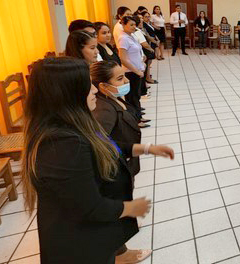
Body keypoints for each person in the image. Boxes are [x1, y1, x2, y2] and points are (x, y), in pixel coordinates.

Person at [21, 57, 169, 264]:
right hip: (80, 245)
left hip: (95, 235)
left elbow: (109, 145)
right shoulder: (63, 144)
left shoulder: (78, 124)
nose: (93, 90)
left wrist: (146, 148)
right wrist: (130, 208)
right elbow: (90, 207)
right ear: (66, 94)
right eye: (86, 85)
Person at [117, 16, 145, 120]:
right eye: (131, 25)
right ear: (124, 25)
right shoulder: (123, 38)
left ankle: (138, 115)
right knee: (132, 97)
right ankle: (137, 119)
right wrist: (137, 71)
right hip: (130, 72)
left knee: (136, 95)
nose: (134, 27)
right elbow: (123, 59)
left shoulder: (131, 36)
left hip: (136, 70)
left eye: (134, 25)